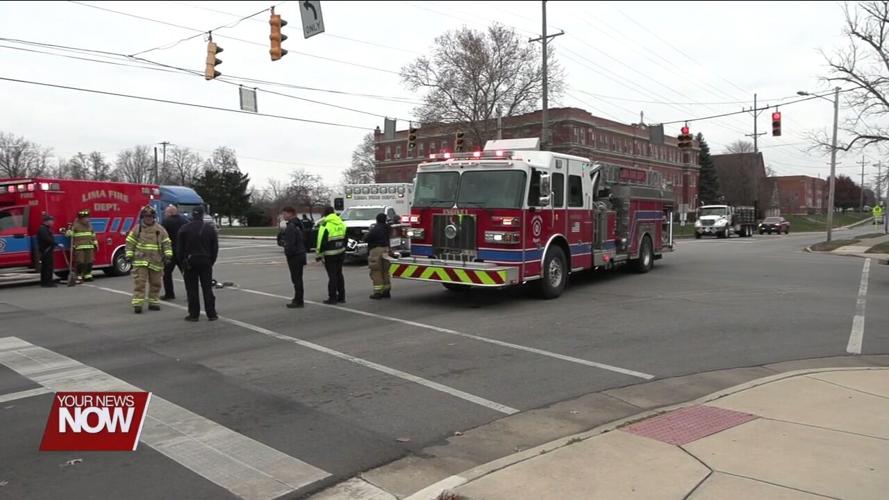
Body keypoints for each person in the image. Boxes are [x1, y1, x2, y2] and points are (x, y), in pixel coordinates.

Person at [126, 206, 173, 313]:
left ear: (154, 217)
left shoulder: (160, 230)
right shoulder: (137, 229)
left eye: (150, 216)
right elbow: (130, 242)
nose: (148, 218)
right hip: (140, 261)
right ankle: (138, 304)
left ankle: (153, 302)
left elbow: (166, 243)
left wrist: (168, 255)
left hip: (156, 261)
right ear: (142, 217)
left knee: (156, 283)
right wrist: (129, 255)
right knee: (140, 283)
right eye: (146, 216)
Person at [177, 207, 219, 321]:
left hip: (190, 261)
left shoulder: (184, 229)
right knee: (207, 288)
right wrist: (211, 261)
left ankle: (194, 314)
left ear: (192, 215)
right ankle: (212, 313)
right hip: (206, 261)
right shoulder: (210, 229)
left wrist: (182, 263)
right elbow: (215, 248)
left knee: (192, 289)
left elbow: (179, 249)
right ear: (202, 215)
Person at [315, 205, 346, 304]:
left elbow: (321, 241)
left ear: (325, 214)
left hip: (330, 254)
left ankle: (332, 298)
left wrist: (318, 255)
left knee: (332, 276)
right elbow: (345, 238)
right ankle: (341, 297)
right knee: (339, 274)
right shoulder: (341, 223)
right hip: (340, 252)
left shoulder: (325, 225)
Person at [281, 206, 306, 308]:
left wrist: (288, 253)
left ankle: (298, 300)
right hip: (301, 253)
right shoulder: (299, 224)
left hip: (295, 256)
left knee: (296, 279)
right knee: (298, 278)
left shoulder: (291, 226)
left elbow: (290, 244)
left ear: (290, 213)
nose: (283, 216)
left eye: (285, 213)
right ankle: (299, 298)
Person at [160, 205, 186, 300]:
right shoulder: (184, 220)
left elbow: (161, 236)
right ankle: (190, 293)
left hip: (170, 251)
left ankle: (169, 294)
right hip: (182, 251)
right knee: (186, 273)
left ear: (170, 213)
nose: (165, 214)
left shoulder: (166, 222)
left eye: (166, 212)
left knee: (167, 274)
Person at [364, 212, 392, 299]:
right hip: (386, 250)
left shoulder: (376, 228)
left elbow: (367, 238)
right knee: (385, 271)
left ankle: (378, 292)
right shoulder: (388, 228)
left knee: (376, 271)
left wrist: (365, 235)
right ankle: (386, 291)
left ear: (377, 220)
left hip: (376, 251)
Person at [66, 209, 98, 283]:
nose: (87, 219)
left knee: (89, 262)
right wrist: (69, 231)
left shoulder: (89, 225)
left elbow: (92, 234)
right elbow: (68, 235)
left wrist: (95, 242)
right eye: (85, 218)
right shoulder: (75, 225)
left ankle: (87, 275)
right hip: (79, 247)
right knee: (80, 262)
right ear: (81, 218)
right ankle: (79, 275)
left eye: (88, 217)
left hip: (89, 246)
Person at [37, 214, 58, 288]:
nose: (53, 222)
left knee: (46, 267)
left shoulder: (45, 228)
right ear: (47, 221)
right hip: (46, 251)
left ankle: (45, 282)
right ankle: (48, 282)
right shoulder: (43, 229)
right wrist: (56, 244)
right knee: (48, 267)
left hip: (46, 250)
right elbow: (47, 239)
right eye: (51, 221)